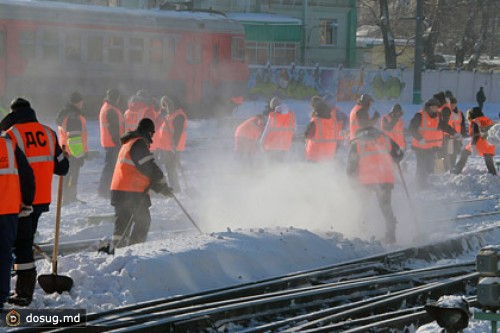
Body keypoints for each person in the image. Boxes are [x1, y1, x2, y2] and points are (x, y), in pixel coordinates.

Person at [3, 98, 68, 306]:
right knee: (24, 241)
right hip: (40, 199)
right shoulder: (48, 133)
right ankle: (20, 285)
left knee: (20, 245)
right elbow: (62, 168)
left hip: (19, 199)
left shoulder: (11, 134)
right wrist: (63, 155)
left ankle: (24, 291)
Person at [110, 118, 172, 249]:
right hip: (131, 192)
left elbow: (142, 172)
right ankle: (134, 250)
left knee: (122, 225)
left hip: (120, 189)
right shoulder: (139, 143)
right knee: (143, 221)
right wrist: (161, 179)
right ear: (149, 132)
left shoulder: (129, 143)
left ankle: (118, 251)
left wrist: (162, 189)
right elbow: (148, 167)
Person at [347, 124, 404, 244]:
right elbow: (399, 154)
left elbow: (351, 166)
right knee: (386, 208)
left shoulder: (356, 144)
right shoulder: (386, 139)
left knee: (364, 207)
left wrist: (352, 180)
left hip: (365, 180)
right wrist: (395, 158)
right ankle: (391, 235)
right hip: (385, 179)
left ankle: (362, 233)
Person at [0, 135, 35, 310]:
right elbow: (27, 175)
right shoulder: (9, 145)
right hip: (7, 210)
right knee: (3, 254)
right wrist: (27, 201)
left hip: (8, 210)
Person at [408, 98, 456, 190]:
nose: (435, 109)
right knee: (422, 165)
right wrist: (420, 138)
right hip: (420, 146)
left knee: (430, 165)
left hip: (431, 146)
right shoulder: (420, 115)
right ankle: (419, 185)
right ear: (428, 107)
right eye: (433, 107)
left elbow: (444, 126)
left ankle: (423, 183)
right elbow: (411, 128)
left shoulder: (438, 116)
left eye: (436, 107)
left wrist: (454, 133)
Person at [56, 91, 88, 205]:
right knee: (73, 175)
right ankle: (70, 198)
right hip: (73, 152)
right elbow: (74, 139)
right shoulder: (74, 116)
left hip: (65, 150)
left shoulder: (64, 114)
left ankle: (66, 198)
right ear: (78, 102)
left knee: (67, 175)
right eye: (81, 101)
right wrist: (80, 155)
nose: (82, 103)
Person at [155, 96, 188, 193]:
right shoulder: (170, 115)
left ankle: (175, 189)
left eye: (166, 105)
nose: (165, 108)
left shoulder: (179, 115)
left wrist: (175, 145)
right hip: (166, 147)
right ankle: (174, 188)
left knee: (171, 169)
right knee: (169, 169)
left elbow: (178, 131)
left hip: (172, 147)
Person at [453, 107, 496, 175]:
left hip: (478, 144)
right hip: (489, 144)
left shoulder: (475, 121)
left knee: (465, 153)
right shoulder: (488, 120)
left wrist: (473, 145)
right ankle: (493, 174)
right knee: (488, 159)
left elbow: (475, 135)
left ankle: (457, 170)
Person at [98, 88, 124, 198]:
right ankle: (104, 190)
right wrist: (119, 143)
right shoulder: (111, 110)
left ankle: (105, 190)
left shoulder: (106, 107)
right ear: (116, 98)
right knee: (110, 167)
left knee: (109, 167)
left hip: (109, 142)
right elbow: (114, 129)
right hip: (113, 143)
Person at [260, 97, 296, 163]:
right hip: (284, 147)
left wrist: (261, 142)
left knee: (271, 166)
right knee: (280, 166)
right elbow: (294, 130)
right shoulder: (291, 116)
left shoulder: (273, 116)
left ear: (273, 107)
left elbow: (266, 130)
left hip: (271, 146)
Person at [304, 96, 338, 162]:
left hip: (314, 156)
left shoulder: (316, 122)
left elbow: (307, 134)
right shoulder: (333, 120)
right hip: (328, 156)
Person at [234, 102, 268, 167]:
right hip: (247, 136)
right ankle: (249, 168)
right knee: (250, 152)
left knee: (242, 152)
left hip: (239, 133)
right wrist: (261, 133)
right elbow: (260, 125)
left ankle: (243, 168)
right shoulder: (260, 119)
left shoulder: (254, 119)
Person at [444, 97, 466, 171]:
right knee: (448, 153)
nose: (453, 106)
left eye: (454, 104)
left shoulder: (459, 113)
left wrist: (462, 134)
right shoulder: (446, 112)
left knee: (455, 152)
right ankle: (447, 168)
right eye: (452, 104)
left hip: (457, 137)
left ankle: (452, 166)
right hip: (448, 136)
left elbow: (462, 124)